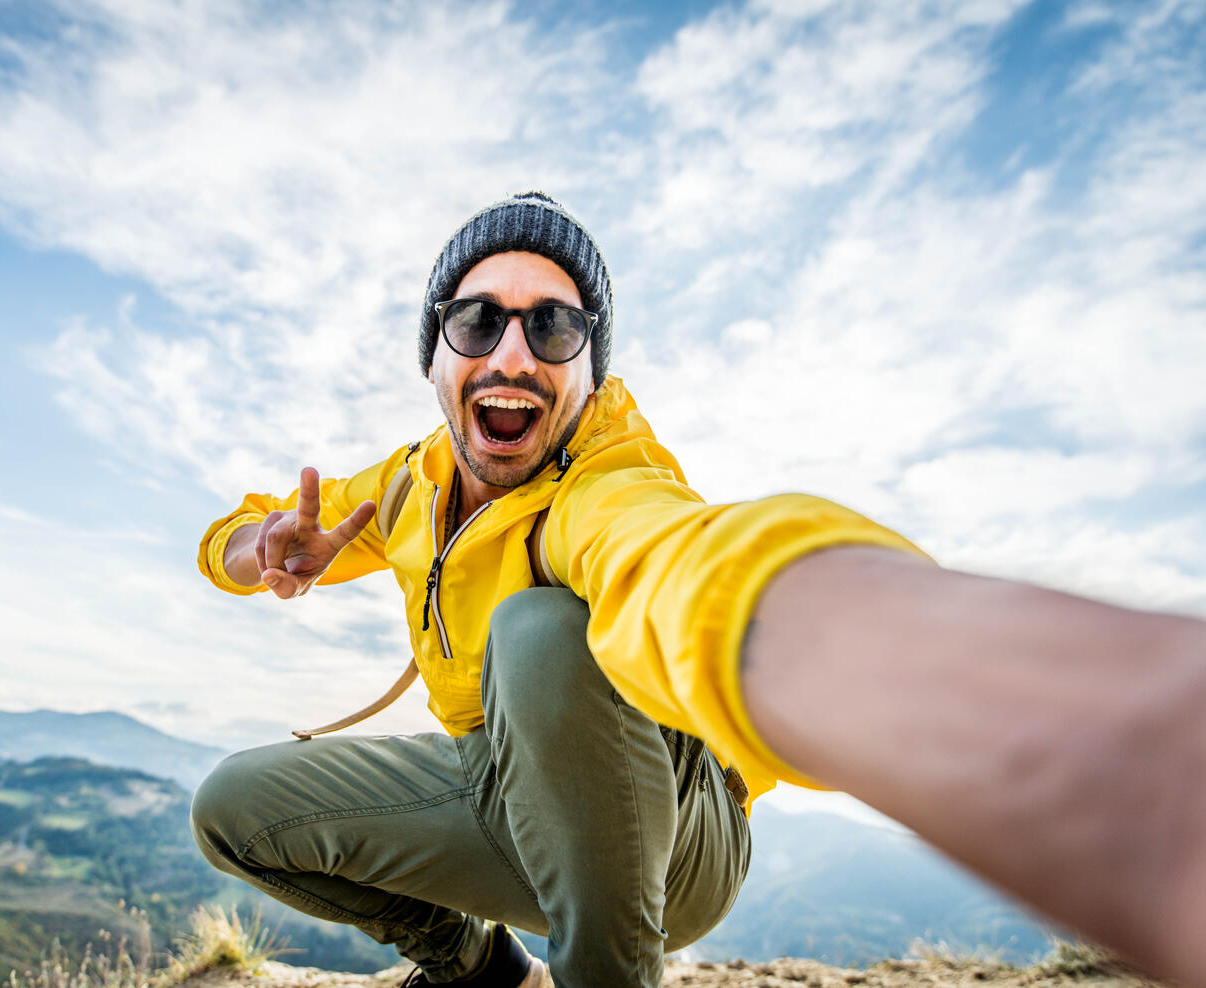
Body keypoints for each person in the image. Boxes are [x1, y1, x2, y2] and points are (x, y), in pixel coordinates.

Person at [192, 192, 1206, 988]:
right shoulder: (406, 483)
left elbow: (681, 564)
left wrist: (914, 665)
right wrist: (267, 550)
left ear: (590, 368)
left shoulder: (607, 485)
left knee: (542, 631)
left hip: (674, 837)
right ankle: (481, 971)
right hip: (506, 786)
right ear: (437, 351)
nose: (511, 353)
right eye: (476, 320)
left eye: (552, 328)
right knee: (230, 806)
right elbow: (233, 537)